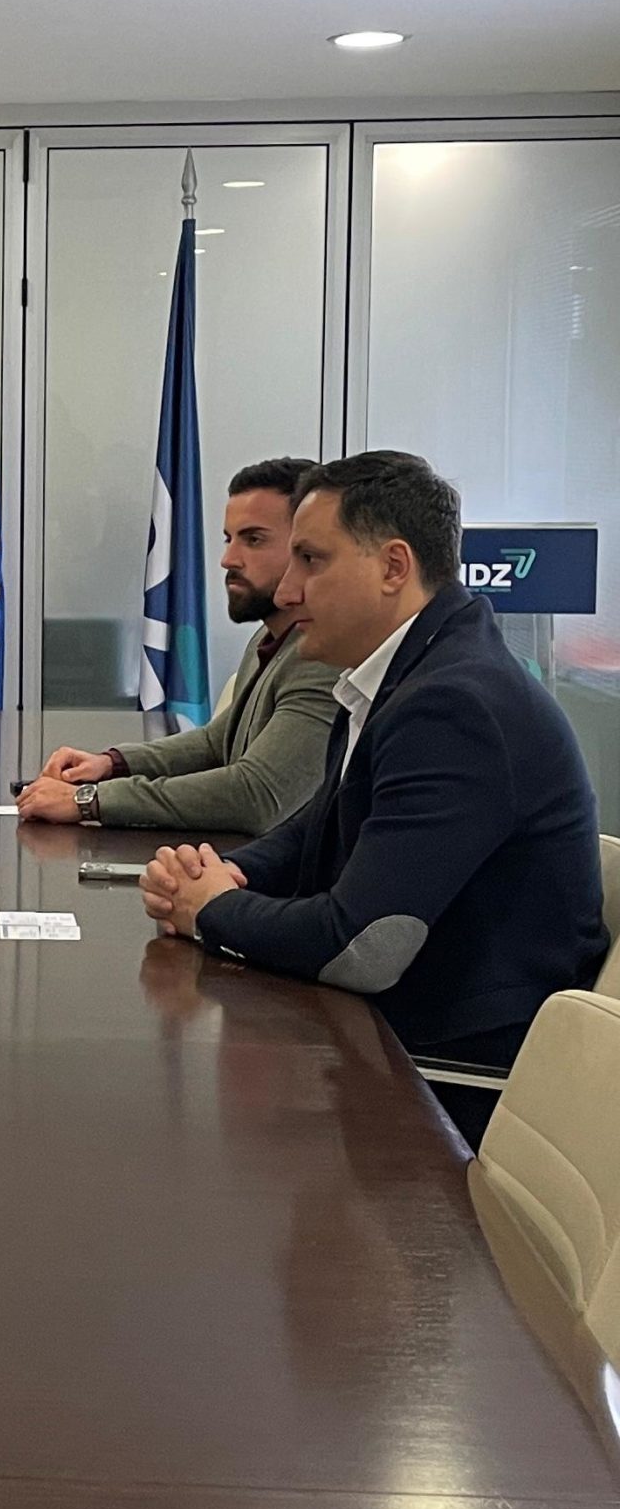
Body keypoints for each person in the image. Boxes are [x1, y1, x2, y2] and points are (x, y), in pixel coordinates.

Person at [138, 450, 607, 1142]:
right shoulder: (409, 671)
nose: (287, 591)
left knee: (184, 1134)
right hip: (394, 1039)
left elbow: (361, 946)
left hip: (456, 1080)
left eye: (311, 561)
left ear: (393, 567)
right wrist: (231, 872)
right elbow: (321, 822)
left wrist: (211, 910)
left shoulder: (455, 705)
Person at [21, 458, 339, 832]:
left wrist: (90, 801)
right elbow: (216, 744)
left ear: (305, 549)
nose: (228, 560)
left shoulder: (324, 657)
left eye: (253, 540)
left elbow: (256, 795)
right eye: (229, 539)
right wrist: (110, 764)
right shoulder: (270, 637)